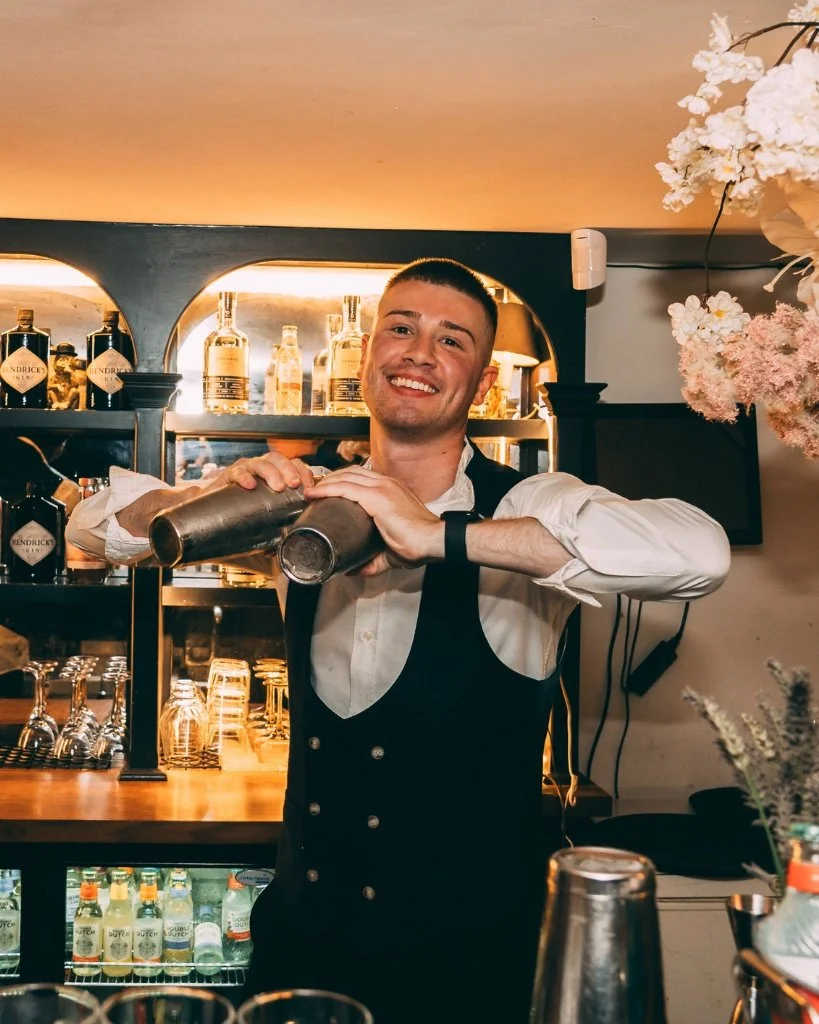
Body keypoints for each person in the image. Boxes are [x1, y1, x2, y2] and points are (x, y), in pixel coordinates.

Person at [66, 258, 731, 1023]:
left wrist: (439, 534)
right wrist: (210, 498)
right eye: (401, 328)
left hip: (473, 967)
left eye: (452, 341)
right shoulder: (304, 507)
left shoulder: (523, 506)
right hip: (302, 952)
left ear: (478, 384)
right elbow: (94, 528)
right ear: (365, 354)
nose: (419, 352)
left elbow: (697, 555)